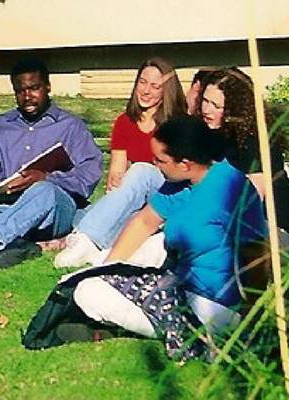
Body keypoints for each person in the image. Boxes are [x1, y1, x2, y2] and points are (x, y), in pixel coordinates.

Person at [68, 116, 268, 360]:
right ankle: (176, 331)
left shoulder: (231, 187)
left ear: (185, 163)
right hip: (178, 285)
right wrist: (108, 268)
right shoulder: (180, 184)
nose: (155, 165)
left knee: (88, 293)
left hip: (215, 304)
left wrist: (250, 318)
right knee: (87, 284)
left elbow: (257, 251)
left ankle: (196, 338)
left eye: (160, 160)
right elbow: (144, 222)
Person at [0, 58, 104, 273]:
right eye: (20, 90)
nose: (27, 97)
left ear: (48, 87)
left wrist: (47, 178)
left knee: (43, 190)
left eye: (34, 88)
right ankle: (15, 246)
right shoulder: (0, 127)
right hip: (8, 206)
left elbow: (89, 175)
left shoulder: (71, 126)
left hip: (53, 208)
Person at [54, 57, 187, 268]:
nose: (146, 91)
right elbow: (116, 175)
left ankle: (86, 239)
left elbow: (180, 174)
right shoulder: (125, 122)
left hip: (167, 190)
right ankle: (97, 244)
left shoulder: (177, 123)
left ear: (166, 91)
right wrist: (116, 184)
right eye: (142, 82)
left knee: (141, 170)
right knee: (87, 213)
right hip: (137, 197)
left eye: (155, 86)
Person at [197, 67, 289, 242]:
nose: (207, 110)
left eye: (216, 106)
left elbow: (250, 200)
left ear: (235, 109)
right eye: (205, 101)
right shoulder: (213, 133)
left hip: (271, 228)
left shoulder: (255, 140)